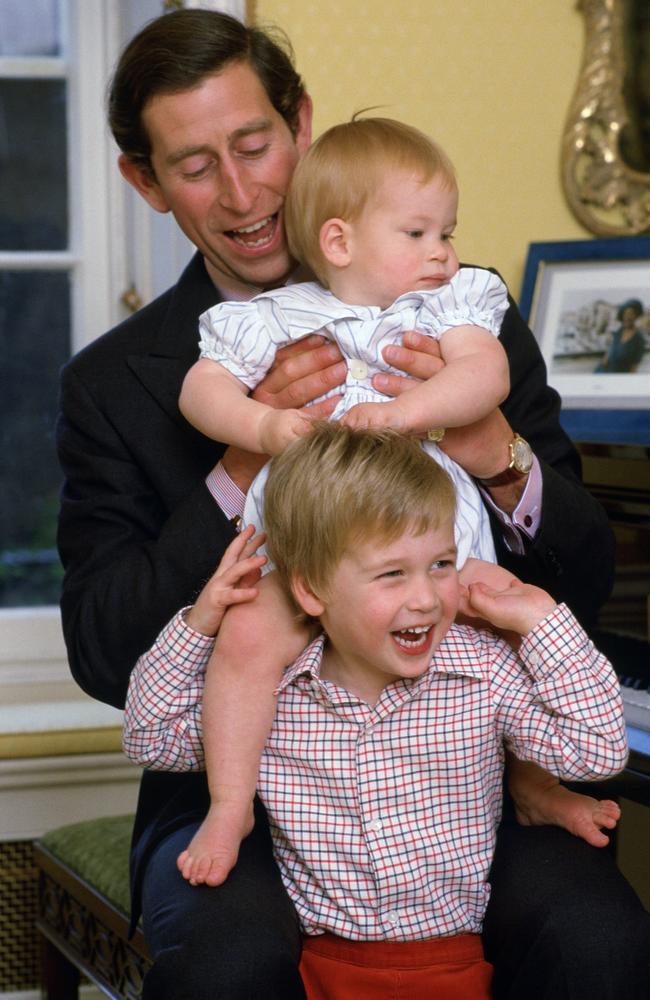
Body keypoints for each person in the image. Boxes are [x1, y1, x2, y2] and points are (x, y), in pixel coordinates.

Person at [55, 8, 650, 999]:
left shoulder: (457, 306)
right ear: (145, 183)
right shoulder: (116, 384)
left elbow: (581, 580)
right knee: (228, 966)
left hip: (465, 758)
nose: (242, 193)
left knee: (598, 940)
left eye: (254, 145)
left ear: (301, 124)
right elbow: (104, 651)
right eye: (196, 165)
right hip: (242, 774)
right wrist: (248, 461)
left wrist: (495, 457)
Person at [123, 423, 628, 1000]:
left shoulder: (480, 672)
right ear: (311, 592)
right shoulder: (270, 698)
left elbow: (597, 749)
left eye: (441, 564)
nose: (425, 597)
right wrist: (202, 620)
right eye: (392, 574)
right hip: (317, 973)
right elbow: (150, 738)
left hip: (456, 970)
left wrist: (540, 618)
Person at [176, 116, 513, 884]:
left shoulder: (450, 304)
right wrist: (262, 423)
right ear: (339, 242)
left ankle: (530, 782)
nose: (445, 252)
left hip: (427, 544)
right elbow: (203, 389)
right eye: (420, 232)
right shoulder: (277, 318)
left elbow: (484, 377)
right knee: (247, 644)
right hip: (305, 548)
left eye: (448, 232)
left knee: (499, 637)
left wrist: (404, 415)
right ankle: (231, 803)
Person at [594, 298, 647, 373]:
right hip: (604, 371)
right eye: (624, 314)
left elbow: (634, 367)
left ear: (636, 315)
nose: (627, 317)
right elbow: (610, 351)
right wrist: (603, 363)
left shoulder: (639, 338)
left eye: (630, 314)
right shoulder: (618, 331)